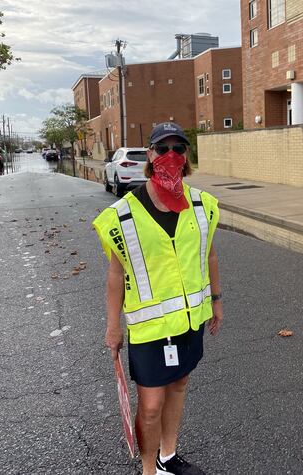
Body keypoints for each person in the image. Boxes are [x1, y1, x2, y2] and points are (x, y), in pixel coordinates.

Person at [93, 122, 223, 475]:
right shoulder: (122, 215)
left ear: (186, 156)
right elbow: (116, 273)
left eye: (178, 148)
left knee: (179, 385)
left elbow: (208, 255)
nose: (170, 156)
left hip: (188, 321)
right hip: (150, 329)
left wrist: (216, 300)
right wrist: (112, 326)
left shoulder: (202, 206)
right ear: (150, 155)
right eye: (162, 149)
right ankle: (149, 470)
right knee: (150, 406)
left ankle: (168, 456)